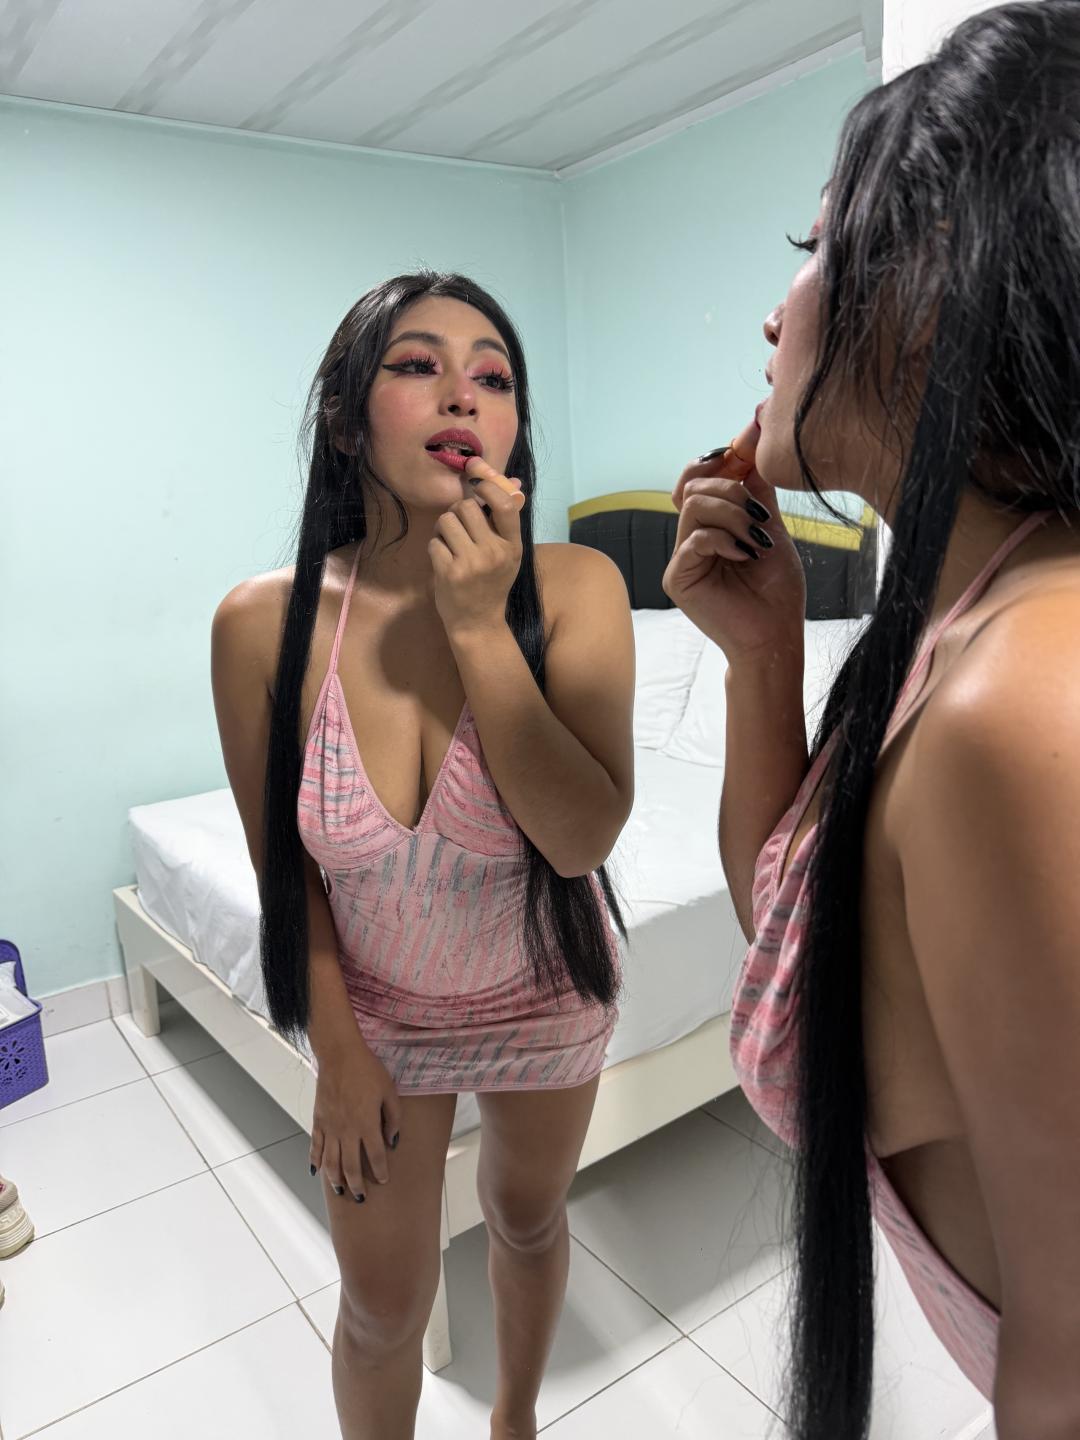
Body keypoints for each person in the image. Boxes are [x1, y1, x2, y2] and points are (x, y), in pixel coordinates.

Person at [662, 5, 1080, 1437]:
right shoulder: (957, 623)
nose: (776, 318)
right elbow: (802, 949)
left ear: (938, 277)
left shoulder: (1022, 697)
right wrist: (761, 655)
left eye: (819, 247)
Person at [211, 273, 634, 1440]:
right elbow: (284, 872)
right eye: (418, 365)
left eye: (494, 376)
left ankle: (514, 1420)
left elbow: (581, 838)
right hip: (377, 1014)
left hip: (548, 991)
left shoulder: (579, 586)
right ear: (347, 418)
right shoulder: (261, 624)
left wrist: (480, 624)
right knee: (381, 1311)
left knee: (527, 1221)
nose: (463, 393)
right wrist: (337, 1050)